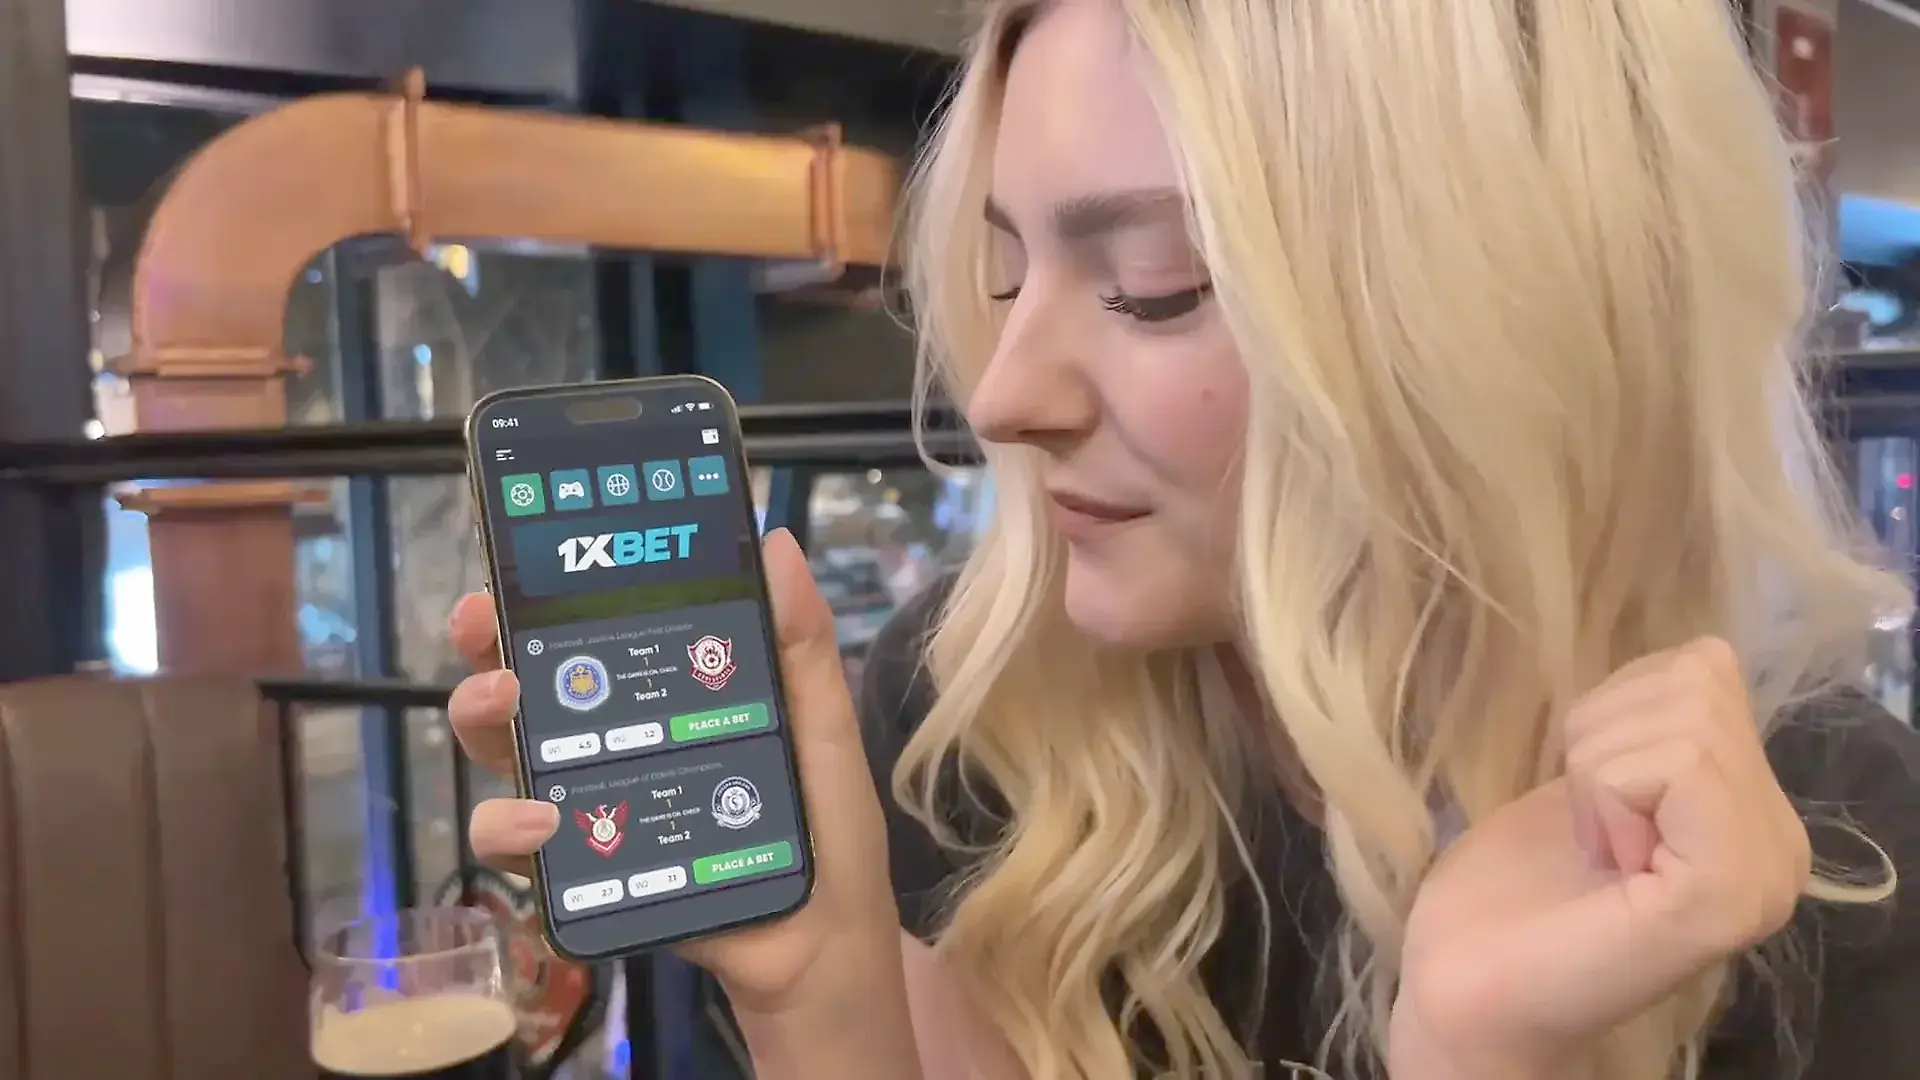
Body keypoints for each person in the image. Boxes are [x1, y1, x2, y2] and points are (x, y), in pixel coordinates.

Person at [447, 0, 1920, 1076]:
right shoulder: (964, 713)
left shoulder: (1816, 844)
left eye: (1152, 285)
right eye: (1006, 274)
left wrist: (1486, 1052)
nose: (1003, 397)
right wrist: (822, 994)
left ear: (1486, 318)